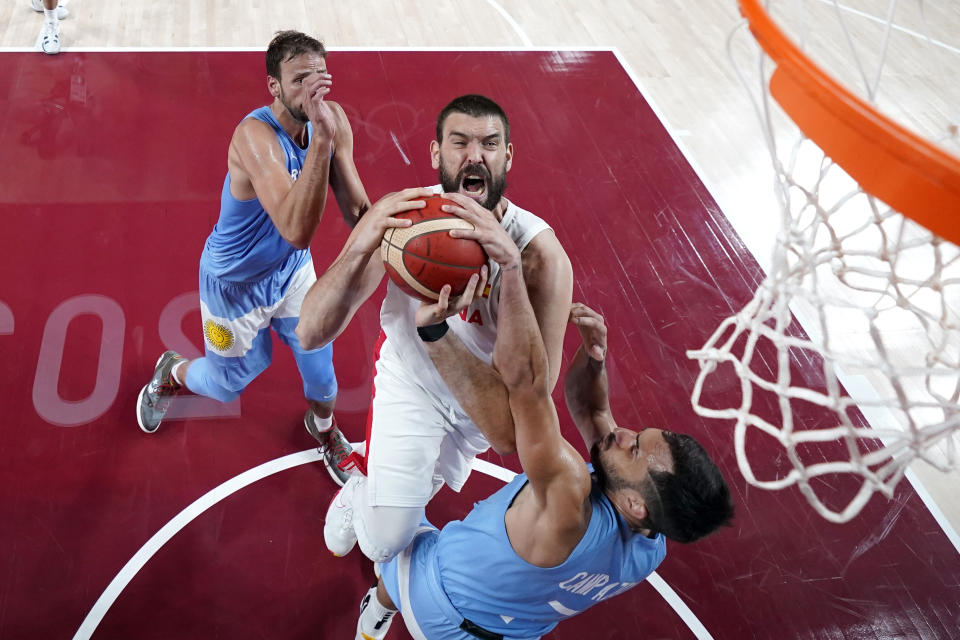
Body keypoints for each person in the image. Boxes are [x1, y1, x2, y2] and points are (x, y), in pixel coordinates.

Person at [351, 208, 734, 640]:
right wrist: (595, 359)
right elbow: (594, 416)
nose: (624, 434)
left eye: (634, 449)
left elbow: (528, 388)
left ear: (636, 504)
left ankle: (360, 513)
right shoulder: (651, 546)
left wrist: (505, 273)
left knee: (392, 531)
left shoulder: (569, 492)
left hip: (433, 597)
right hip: (507, 634)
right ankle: (377, 615)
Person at [296, 94, 574, 562]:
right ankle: (358, 493)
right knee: (385, 540)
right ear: (435, 154)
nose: (475, 155)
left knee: (412, 498)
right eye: (459, 141)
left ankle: (382, 487)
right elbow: (309, 333)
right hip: (412, 378)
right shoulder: (407, 222)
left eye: (489, 143)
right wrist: (360, 244)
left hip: (479, 406)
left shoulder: (539, 258)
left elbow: (518, 430)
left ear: (507, 156)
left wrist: (503, 275)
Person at [136, 31, 370, 484]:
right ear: (274, 86)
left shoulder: (332, 121)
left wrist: (405, 239)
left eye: (318, 75)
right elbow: (297, 230)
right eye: (298, 78)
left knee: (322, 374)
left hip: (291, 272)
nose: (311, 88)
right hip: (234, 286)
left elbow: (357, 210)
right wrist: (321, 142)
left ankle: (324, 431)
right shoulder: (254, 137)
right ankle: (173, 371)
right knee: (225, 386)